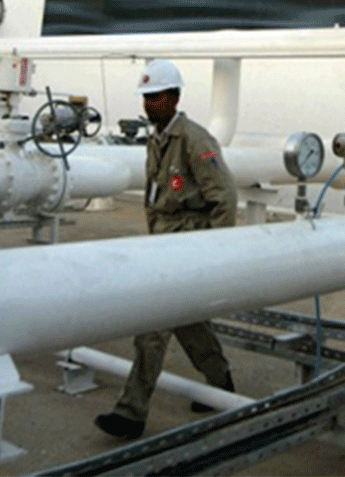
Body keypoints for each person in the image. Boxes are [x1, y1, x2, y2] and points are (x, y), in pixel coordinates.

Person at [94, 59, 239, 441]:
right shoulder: (157, 140)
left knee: (152, 327)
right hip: (165, 243)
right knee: (190, 323)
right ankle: (221, 384)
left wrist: (215, 249)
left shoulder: (195, 140)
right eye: (146, 97)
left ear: (174, 97)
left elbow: (224, 197)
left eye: (157, 97)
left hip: (187, 246)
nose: (150, 104)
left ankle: (131, 413)